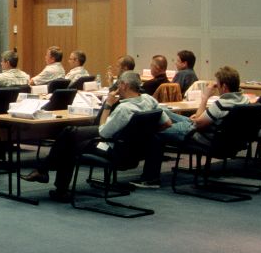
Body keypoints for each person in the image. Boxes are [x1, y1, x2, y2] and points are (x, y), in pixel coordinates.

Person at [24, 71, 176, 200]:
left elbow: (102, 131)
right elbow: (167, 123)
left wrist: (108, 105)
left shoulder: (124, 109)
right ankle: (48, 176)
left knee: (70, 142)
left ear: (124, 85)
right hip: (135, 151)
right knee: (69, 133)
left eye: (118, 84)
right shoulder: (150, 100)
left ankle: (51, 179)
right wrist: (145, 134)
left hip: (113, 150)